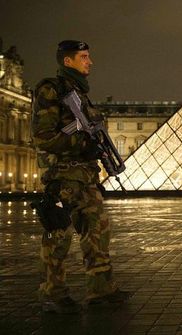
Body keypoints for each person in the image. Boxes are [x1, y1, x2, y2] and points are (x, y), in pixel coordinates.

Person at [31, 40, 130, 314]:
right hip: (62, 175)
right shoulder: (51, 89)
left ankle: (101, 289)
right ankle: (53, 292)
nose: (90, 61)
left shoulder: (79, 94)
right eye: (84, 57)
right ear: (68, 61)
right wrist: (81, 144)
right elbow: (43, 137)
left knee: (99, 232)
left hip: (85, 176)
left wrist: (93, 148)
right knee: (58, 235)